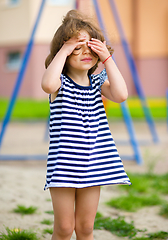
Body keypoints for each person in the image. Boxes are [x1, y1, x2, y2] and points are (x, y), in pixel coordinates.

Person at [41, 9, 131, 240]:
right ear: (66, 51)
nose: (85, 52)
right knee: (63, 228)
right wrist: (65, 48)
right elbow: (47, 84)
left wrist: (108, 58)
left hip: (95, 164)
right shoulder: (60, 83)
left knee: (86, 228)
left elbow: (121, 95)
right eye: (77, 48)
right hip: (64, 166)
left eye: (91, 48)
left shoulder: (97, 82)